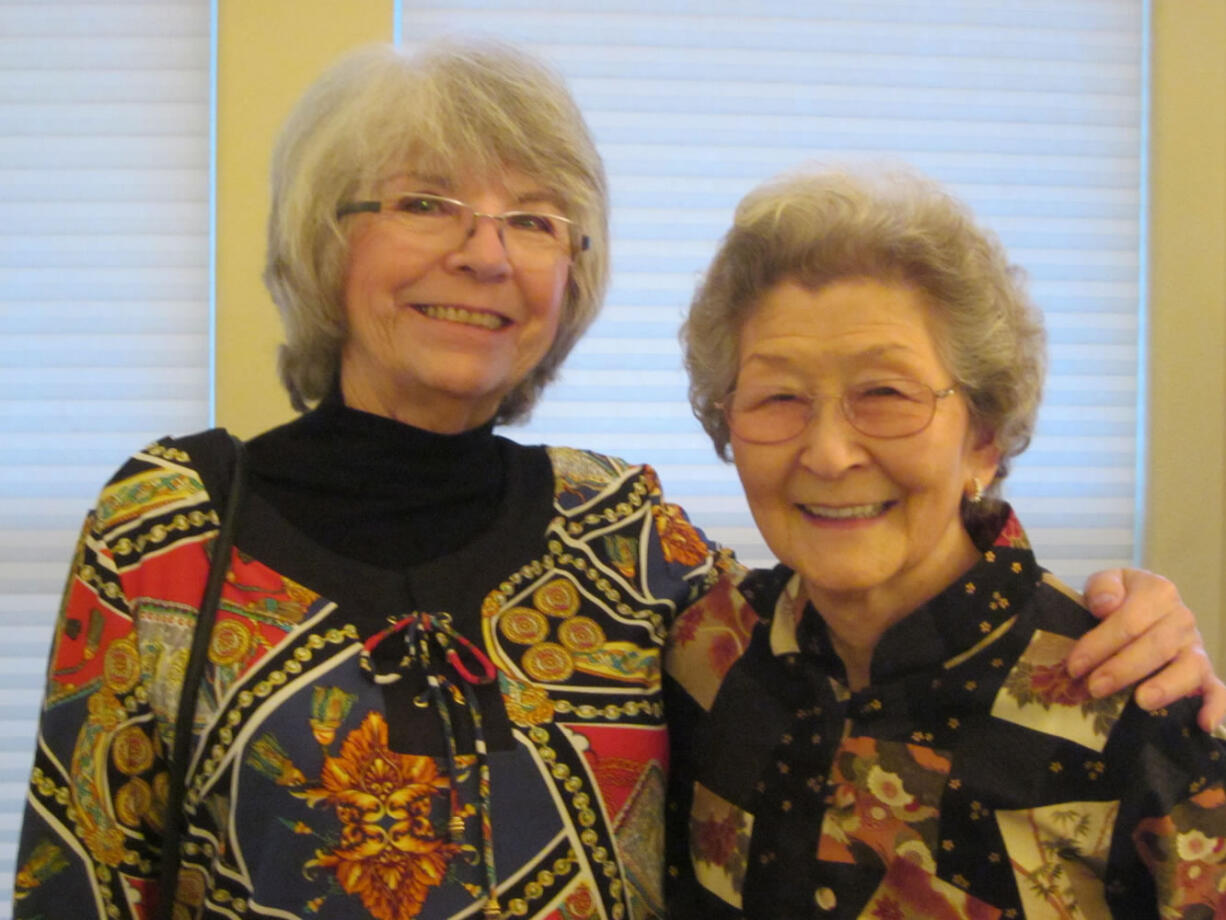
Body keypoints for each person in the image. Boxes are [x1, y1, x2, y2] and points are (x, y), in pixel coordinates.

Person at [10, 42, 1221, 920]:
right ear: (328, 246)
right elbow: (80, 878)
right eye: (427, 202)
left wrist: (1138, 627)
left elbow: (876, 581)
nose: (484, 252)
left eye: (535, 219)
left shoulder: (626, 537)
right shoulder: (169, 527)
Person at [664, 165, 1226, 918]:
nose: (829, 454)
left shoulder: (1135, 708)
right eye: (778, 397)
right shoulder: (708, 654)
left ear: (984, 438)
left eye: (885, 393)